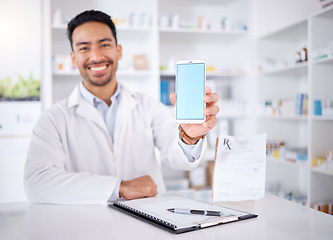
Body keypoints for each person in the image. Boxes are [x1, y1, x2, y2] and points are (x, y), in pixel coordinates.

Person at [24, 10, 220, 205]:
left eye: (104, 45)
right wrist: (120, 187)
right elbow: (37, 183)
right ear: (73, 58)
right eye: (84, 48)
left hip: (148, 227)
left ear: (119, 50)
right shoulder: (53, 119)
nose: (96, 56)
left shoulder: (148, 106)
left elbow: (177, 156)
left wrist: (189, 137)